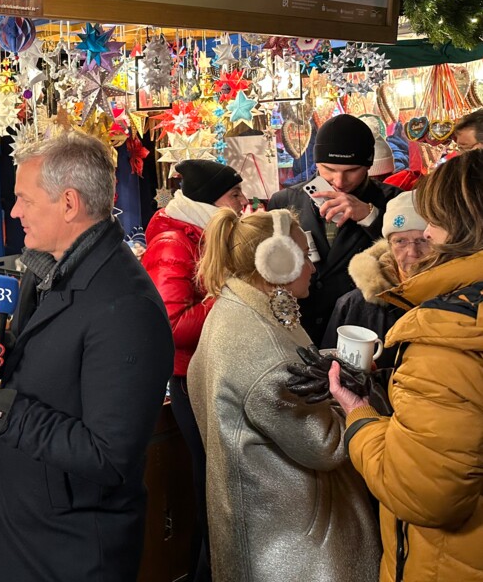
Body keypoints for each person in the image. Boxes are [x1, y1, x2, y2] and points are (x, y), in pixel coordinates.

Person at [0, 132, 173, 581]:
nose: (14, 212)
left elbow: (108, 457)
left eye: (23, 199)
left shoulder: (127, 307)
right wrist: (8, 358)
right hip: (22, 523)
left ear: (68, 203)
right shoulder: (46, 272)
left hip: (69, 550)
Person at [188, 207, 381, 582]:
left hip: (268, 526)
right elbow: (326, 446)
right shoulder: (264, 351)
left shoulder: (238, 308)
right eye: (305, 256)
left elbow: (290, 369)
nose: (312, 267)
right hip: (296, 548)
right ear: (277, 264)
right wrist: (364, 401)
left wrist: (335, 362)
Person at [329, 151, 483, 582]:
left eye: (432, 224)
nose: (424, 238)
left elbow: (422, 493)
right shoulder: (361, 304)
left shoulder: (447, 332)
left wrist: (359, 414)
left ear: (463, 228)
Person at [141, 159, 248, 582]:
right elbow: (170, 327)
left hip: (212, 370)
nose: (243, 203)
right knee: (215, 485)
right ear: (210, 200)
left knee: (221, 484)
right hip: (191, 379)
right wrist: (232, 294)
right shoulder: (173, 242)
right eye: (234, 195)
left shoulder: (205, 235)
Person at [268, 113, 401, 342]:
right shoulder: (285, 200)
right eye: (328, 169)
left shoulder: (394, 202)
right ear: (316, 162)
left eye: (352, 170)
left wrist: (370, 216)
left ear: (369, 164)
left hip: (362, 330)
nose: (339, 181)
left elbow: (411, 261)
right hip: (300, 328)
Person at [321, 191, 432, 363]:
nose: (412, 252)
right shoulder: (353, 304)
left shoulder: (460, 299)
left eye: (422, 241)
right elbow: (328, 367)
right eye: (400, 241)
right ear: (388, 244)